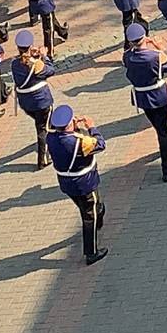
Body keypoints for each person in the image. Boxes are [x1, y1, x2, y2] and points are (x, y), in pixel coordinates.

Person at [43, 104, 110, 264]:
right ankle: (91, 252)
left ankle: (98, 216)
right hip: (84, 183)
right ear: (69, 125)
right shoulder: (79, 142)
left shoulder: (50, 138)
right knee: (89, 215)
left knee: (89, 207)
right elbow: (100, 144)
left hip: (66, 183)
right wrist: (91, 127)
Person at [121, 23, 167, 181]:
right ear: (144, 38)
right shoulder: (153, 56)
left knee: (159, 126)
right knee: (163, 132)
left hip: (142, 97)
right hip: (158, 96)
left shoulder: (127, 56)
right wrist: (160, 48)